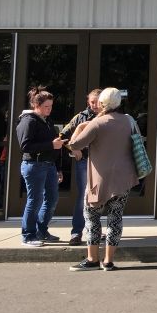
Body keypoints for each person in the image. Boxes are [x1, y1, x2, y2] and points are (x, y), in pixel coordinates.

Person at [66, 87, 138, 271]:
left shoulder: (97, 123)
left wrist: (81, 127)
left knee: (92, 217)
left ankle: (92, 259)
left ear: (101, 103)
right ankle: (108, 261)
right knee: (115, 218)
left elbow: (74, 144)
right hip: (123, 178)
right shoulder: (128, 121)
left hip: (99, 179)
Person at [16, 86, 66, 247]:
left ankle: (41, 230)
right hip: (34, 165)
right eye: (46, 106)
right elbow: (25, 146)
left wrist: (57, 168)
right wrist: (50, 145)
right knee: (35, 200)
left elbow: (54, 146)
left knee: (52, 198)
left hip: (48, 165)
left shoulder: (47, 121)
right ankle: (28, 235)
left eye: (51, 106)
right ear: (36, 105)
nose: (49, 109)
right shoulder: (28, 121)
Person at [59, 88, 101, 246]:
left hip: (103, 162)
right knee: (84, 196)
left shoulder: (109, 117)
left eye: (98, 102)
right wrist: (73, 149)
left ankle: (94, 230)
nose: (95, 105)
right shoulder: (80, 117)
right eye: (92, 102)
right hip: (84, 161)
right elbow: (62, 136)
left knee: (100, 198)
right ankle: (76, 232)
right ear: (88, 102)